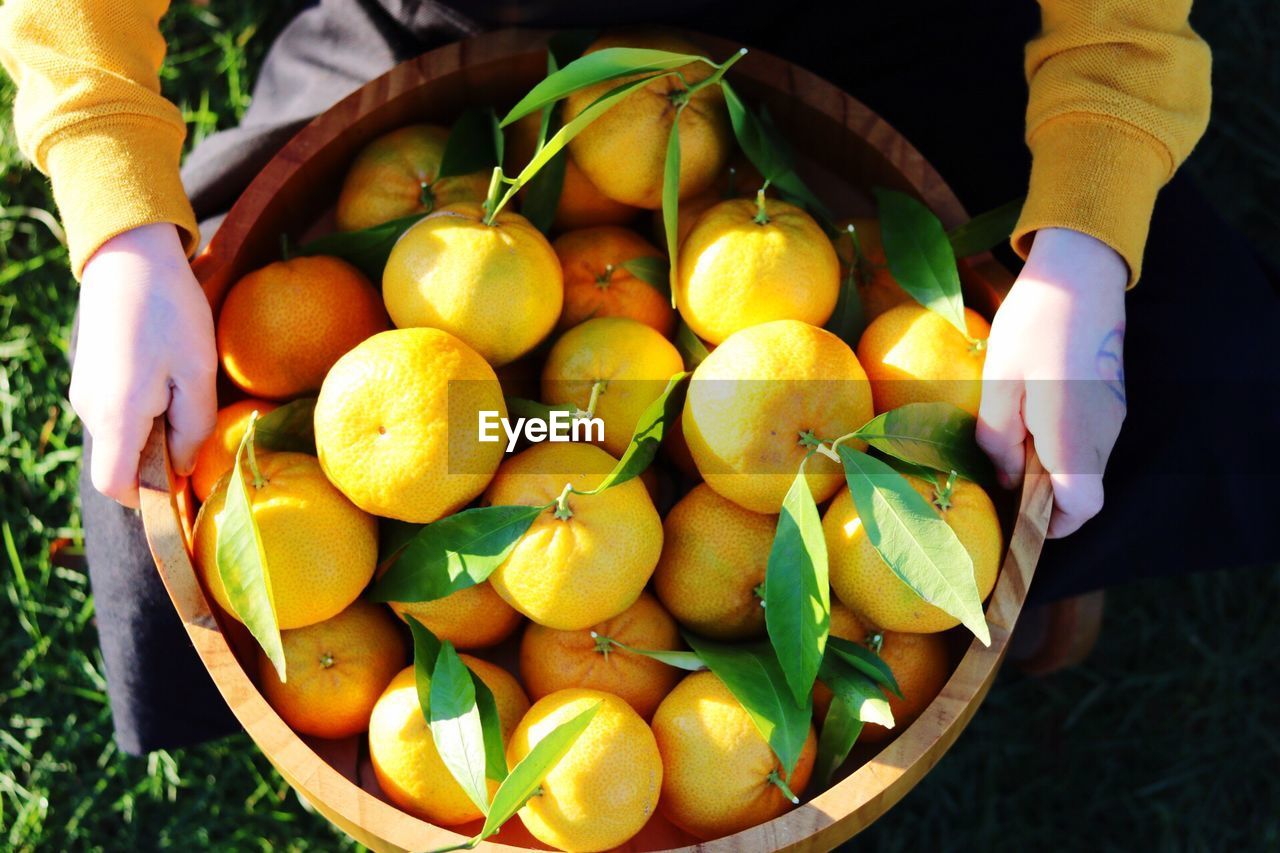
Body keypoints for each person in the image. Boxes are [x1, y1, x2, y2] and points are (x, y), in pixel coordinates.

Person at [2, 1, 1273, 755]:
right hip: (473, 32)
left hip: (886, 29)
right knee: (168, 496)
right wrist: (119, 225)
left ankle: (955, 607)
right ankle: (408, 714)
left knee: (1181, 373)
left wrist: (1087, 233)